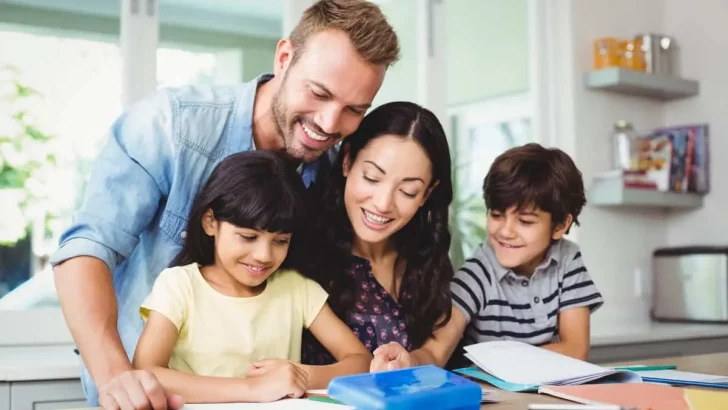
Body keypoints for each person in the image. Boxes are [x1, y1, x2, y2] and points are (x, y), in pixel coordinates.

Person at [49, 0, 399, 408]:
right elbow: (85, 250)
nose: (328, 124)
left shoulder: (337, 167)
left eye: (355, 109)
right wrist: (117, 377)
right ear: (284, 57)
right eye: (319, 93)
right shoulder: (172, 124)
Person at [132, 151, 371, 404]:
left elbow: (361, 361)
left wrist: (302, 375)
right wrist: (254, 389)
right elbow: (146, 372)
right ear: (210, 222)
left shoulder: (297, 288)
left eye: (280, 241)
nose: (263, 255)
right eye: (248, 237)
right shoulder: (180, 286)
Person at [370, 143, 604, 371]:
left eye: (525, 221)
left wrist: (502, 360)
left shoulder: (567, 259)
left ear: (560, 225)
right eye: (497, 215)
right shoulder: (476, 276)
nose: (505, 231)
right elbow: (435, 351)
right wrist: (409, 362)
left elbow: (576, 350)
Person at [298, 101, 455, 366]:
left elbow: (433, 351)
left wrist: (407, 363)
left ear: (427, 194)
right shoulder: (303, 252)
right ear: (347, 161)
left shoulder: (426, 257)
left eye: (408, 191)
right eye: (372, 177)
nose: (383, 204)